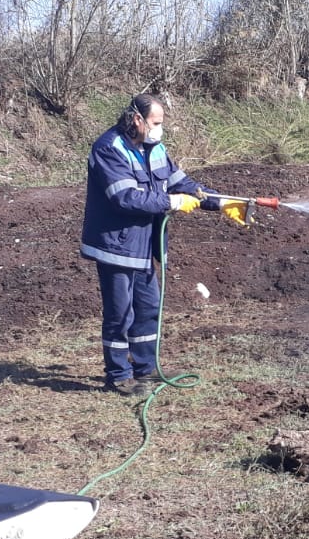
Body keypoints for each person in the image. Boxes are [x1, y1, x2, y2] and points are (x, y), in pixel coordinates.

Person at [80, 94, 249, 396]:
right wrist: (171, 202)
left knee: (148, 308)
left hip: (145, 245)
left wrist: (220, 202)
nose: (160, 129)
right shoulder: (109, 148)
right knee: (120, 313)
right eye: (156, 123)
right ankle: (118, 375)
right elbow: (125, 198)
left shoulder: (155, 148)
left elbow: (182, 184)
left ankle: (146, 368)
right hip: (117, 245)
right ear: (137, 120)